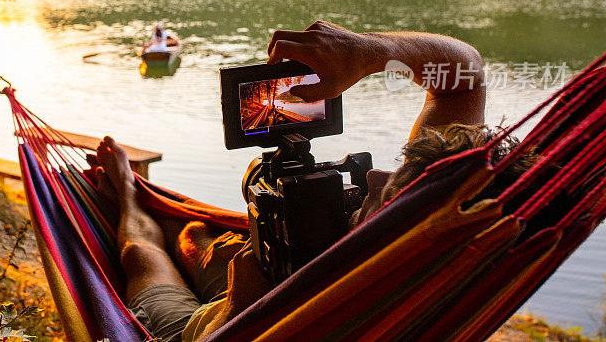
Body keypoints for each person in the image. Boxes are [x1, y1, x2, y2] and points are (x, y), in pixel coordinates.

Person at [94, 21, 516, 342]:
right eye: (401, 165)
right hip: (284, 265)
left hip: (229, 322)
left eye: (391, 190)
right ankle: (183, 231)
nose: (373, 174)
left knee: (142, 255)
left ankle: (129, 196)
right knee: (194, 234)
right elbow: (466, 76)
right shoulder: (447, 215)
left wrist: (242, 308)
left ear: (407, 231)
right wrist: (373, 51)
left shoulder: (344, 309)